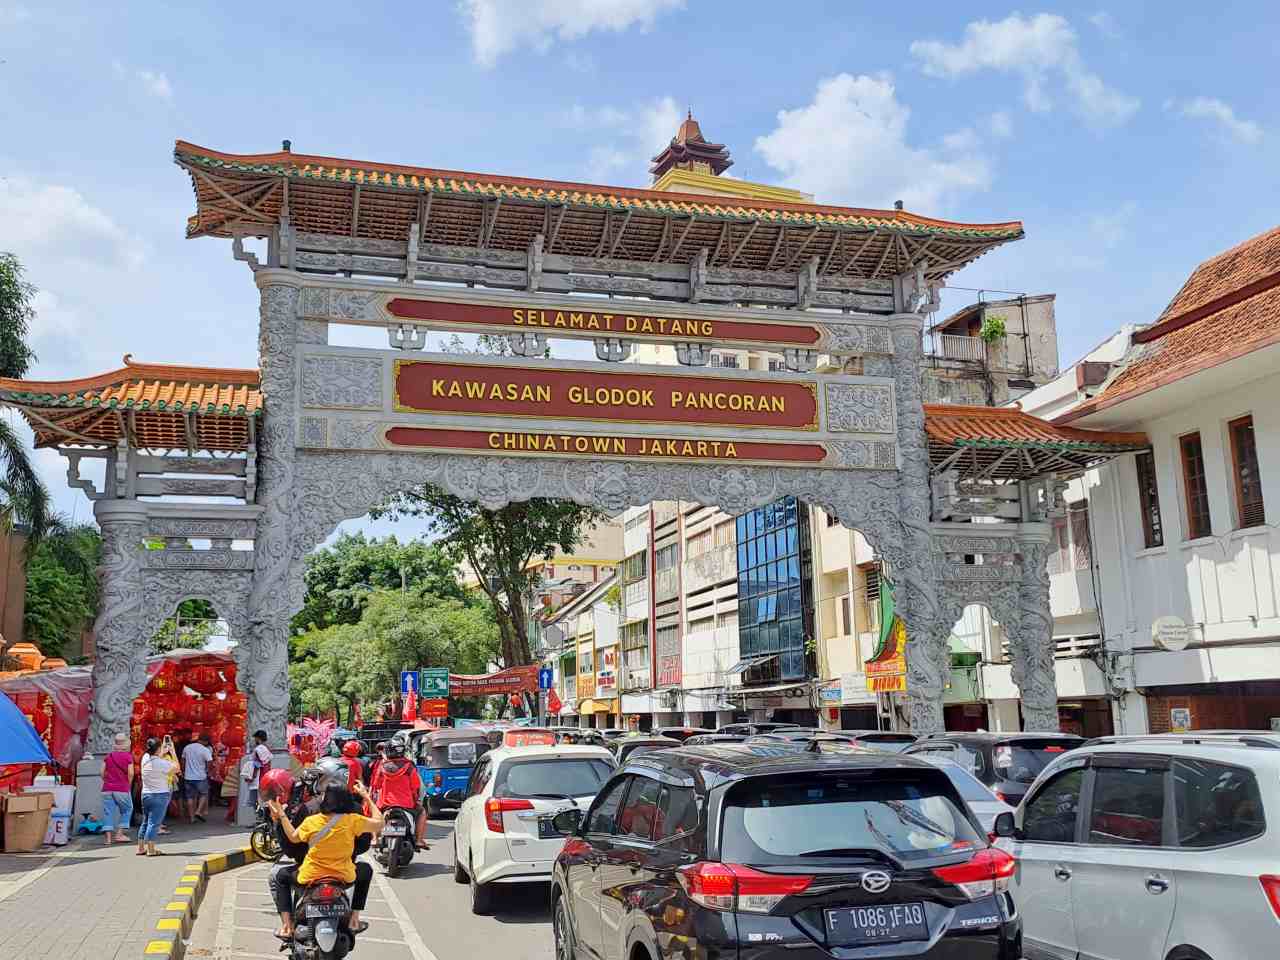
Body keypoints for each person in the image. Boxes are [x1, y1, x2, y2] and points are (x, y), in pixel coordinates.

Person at [266, 781, 383, 940]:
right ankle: (354, 919)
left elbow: (293, 837)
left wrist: (281, 814)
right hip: (343, 877)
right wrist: (367, 797)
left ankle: (287, 926)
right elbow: (380, 823)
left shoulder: (311, 821)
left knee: (280, 876)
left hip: (310, 876)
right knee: (366, 870)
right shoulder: (353, 820)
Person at [370, 739, 427, 851]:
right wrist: (416, 800)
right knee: (422, 812)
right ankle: (419, 840)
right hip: (407, 804)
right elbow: (415, 786)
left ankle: (375, 839)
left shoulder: (382, 766)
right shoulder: (409, 766)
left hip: (385, 803)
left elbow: (376, 785)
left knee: (375, 813)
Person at [138, 737, 177, 856]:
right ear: (158, 749)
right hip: (159, 795)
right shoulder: (162, 763)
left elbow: (154, 757)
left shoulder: (145, 758)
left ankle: (141, 848)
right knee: (154, 823)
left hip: (146, 794)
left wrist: (161, 752)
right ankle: (151, 849)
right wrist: (173, 752)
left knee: (145, 821)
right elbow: (176, 768)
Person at [100, 733, 134, 845]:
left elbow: (101, 772)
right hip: (122, 788)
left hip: (107, 788)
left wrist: (107, 780)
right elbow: (131, 773)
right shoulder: (128, 756)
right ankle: (119, 834)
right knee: (128, 809)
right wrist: (128, 784)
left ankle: (108, 839)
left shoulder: (108, 756)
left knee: (108, 812)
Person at [182, 732, 214, 823]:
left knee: (190, 797)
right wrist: (207, 770)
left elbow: (183, 760)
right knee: (204, 794)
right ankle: (198, 811)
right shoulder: (205, 750)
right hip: (200, 776)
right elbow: (210, 762)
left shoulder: (187, 747)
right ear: (206, 741)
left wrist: (184, 771)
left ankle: (192, 818)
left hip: (188, 777)